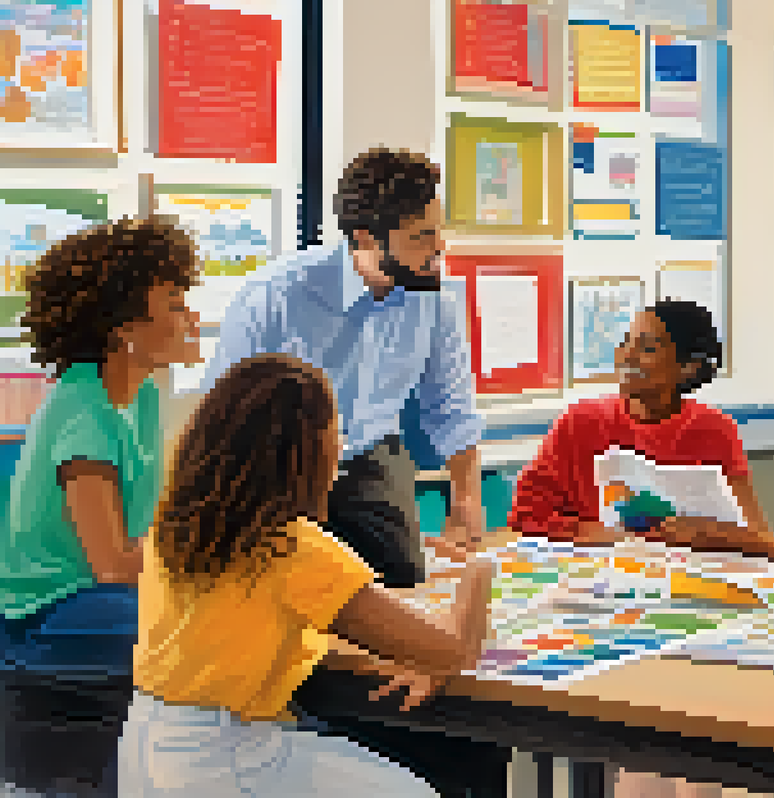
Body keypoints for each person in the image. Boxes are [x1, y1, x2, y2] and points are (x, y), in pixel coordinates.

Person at [118, 353, 496, 797]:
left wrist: (402, 653)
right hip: (224, 756)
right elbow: (452, 651)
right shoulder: (293, 547)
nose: (342, 449)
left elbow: (239, 629)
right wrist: (478, 567)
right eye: (337, 434)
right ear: (307, 451)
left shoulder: (176, 524)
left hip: (143, 745)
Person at [202, 147, 486, 588]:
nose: (439, 248)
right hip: (277, 466)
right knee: (286, 593)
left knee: (401, 582)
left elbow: (449, 402)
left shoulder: (438, 296)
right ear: (366, 239)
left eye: (438, 231)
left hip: (369, 456)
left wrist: (466, 497)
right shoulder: (274, 295)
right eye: (420, 237)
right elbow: (222, 414)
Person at [0, 218, 202, 796]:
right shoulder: (84, 413)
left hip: (98, 601)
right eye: (173, 300)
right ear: (123, 329)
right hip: (49, 615)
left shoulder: (135, 396)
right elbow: (112, 564)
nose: (191, 315)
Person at [507, 299, 774, 558]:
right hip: (601, 578)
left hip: (690, 582)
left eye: (647, 348)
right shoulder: (581, 421)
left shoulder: (716, 429)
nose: (627, 356)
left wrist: (707, 534)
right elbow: (526, 514)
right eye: (626, 343)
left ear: (688, 367)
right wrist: (592, 534)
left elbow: (764, 540)